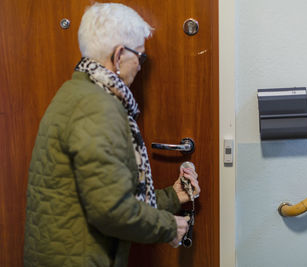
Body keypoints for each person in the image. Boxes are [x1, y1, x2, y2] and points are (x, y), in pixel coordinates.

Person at [23, 3, 200, 267]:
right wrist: (169, 227)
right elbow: (111, 211)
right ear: (119, 56)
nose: (140, 67)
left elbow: (104, 192)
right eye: (140, 57)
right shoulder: (97, 108)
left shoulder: (76, 93)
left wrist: (173, 197)